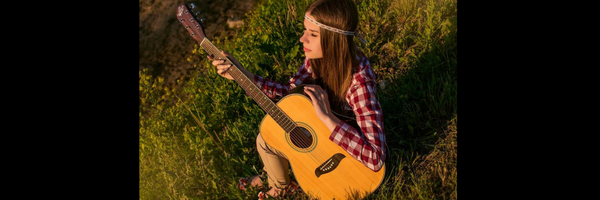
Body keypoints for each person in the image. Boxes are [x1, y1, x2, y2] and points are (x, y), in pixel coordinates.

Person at [207, 0, 386, 198]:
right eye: (304, 30)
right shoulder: (315, 58)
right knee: (266, 138)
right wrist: (244, 75)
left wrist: (327, 118)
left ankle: (275, 181)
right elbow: (289, 92)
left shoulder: (359, 81)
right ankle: (280, 184)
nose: (302, 39)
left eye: (313, 34)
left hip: (344, 154)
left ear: (334, 40)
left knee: (267, 139)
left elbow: (375, 157)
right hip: (321, 135)